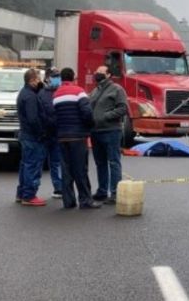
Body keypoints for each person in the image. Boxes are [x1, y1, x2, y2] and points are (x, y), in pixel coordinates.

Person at [52, 67, 100, 209]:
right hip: (78, 136)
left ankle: (68, 201)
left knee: (66, 170)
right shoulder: (79, 92)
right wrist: (89, 127)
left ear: (61, 78)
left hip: (62, 137)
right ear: (73, 77)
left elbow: (53, 116)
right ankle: (85, 200)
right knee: (80, 170)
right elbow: (87, 112)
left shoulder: (56, 95)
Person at [88, 65, 128, 204]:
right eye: (96, 71)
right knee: (100, 163)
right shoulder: (95, 90)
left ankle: (115, 193)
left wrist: (105, 116)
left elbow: (123, 108)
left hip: (111, 131)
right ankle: (102, 191)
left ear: (109, 75)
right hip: (96, 132)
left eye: (100, 72)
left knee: (113, 162)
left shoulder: (117, 89)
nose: (97, 73)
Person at [16, 69, 52, 207]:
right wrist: (41, 133)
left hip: (26, 134)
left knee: (25, 165)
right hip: (33, 136)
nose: (40, 82)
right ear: (32, 80)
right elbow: (33, 118)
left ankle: (22, 193)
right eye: (38, 79)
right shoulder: (30, 97)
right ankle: (29, 195)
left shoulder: (25, 93)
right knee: (33, 166)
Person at [39, 67, 64, 199]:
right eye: (54, 76)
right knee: (39, 162)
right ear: (47, 78)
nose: (57, 79)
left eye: (58, 76)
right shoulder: (41, 93)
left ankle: (59, 188)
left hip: (58, 133)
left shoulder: (61, 92)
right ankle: (30, 190)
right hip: (44, 133)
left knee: (56, 162)